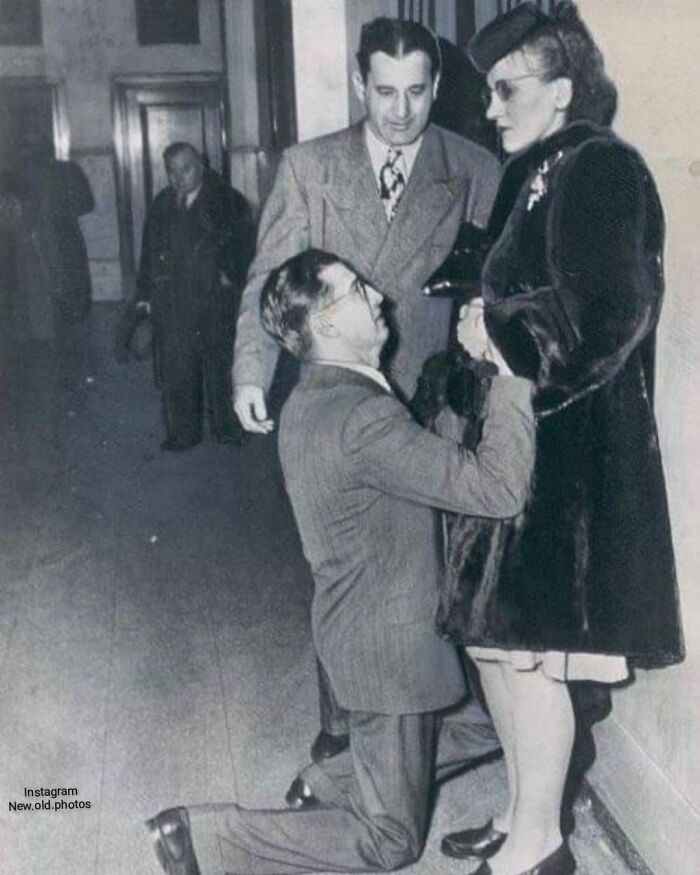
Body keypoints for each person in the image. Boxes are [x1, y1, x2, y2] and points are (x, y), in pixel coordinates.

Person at [145, 248, 535, 875]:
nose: (378, 296)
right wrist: (507, 371)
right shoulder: (362, 415)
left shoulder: (317, 398)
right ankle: (205, 840)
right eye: (356, 291)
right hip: (390, 651)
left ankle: (329, 783)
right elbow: (498, 489)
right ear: (324, 324)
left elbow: (398, 474)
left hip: (362, 629)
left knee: (502, 726)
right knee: (392, 841)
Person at [435, 5, 684, 875]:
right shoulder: (537, 167)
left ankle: (541, 845)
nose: (491, 109)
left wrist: (499, 332)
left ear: (563, 91)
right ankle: (518, 813)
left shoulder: (602, 166)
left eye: (507, 90)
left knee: (532, 655)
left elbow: (614, 312)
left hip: (567, 461)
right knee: (497, 648)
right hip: (516, 442)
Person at [232, 13, 501, 770]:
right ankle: (339, 727)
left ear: (437, 87)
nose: (400, 110)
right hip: (340, 398)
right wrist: (251, 372)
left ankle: (425, 727)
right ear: (361, 84)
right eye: (385, 91)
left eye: (417, 92)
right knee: (344, 572)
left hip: (433, 404)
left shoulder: (473, 166)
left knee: (425, 578)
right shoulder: (310, 166)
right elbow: (267, 281)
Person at [136, 142, 255, 451]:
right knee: (177, 368)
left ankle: (227, 427)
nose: (179, 178)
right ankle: (183, 432)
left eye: (185, 168)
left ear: (201, 164)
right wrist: (145, 295)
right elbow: (148, 254)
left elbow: (248, 250)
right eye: (172, 171)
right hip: (173, 303)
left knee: (221, 367)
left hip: (216, 301)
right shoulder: (162, 205)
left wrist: (234, 280)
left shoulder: (229, 202)